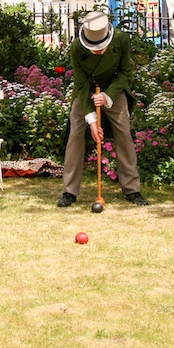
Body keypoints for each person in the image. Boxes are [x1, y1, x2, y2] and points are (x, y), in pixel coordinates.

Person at [58, 11, 149, 207]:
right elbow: (81, 85)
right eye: (94, 47)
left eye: (101, 47)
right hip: (85, 93)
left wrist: (107, 96)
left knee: (124, 133)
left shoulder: (122, 40)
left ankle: (132, 189)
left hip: (113, 91)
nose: (98, 51)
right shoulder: (76, 48)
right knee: (75, 135)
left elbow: (125, 73)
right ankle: (69, 191)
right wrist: (92, 121)